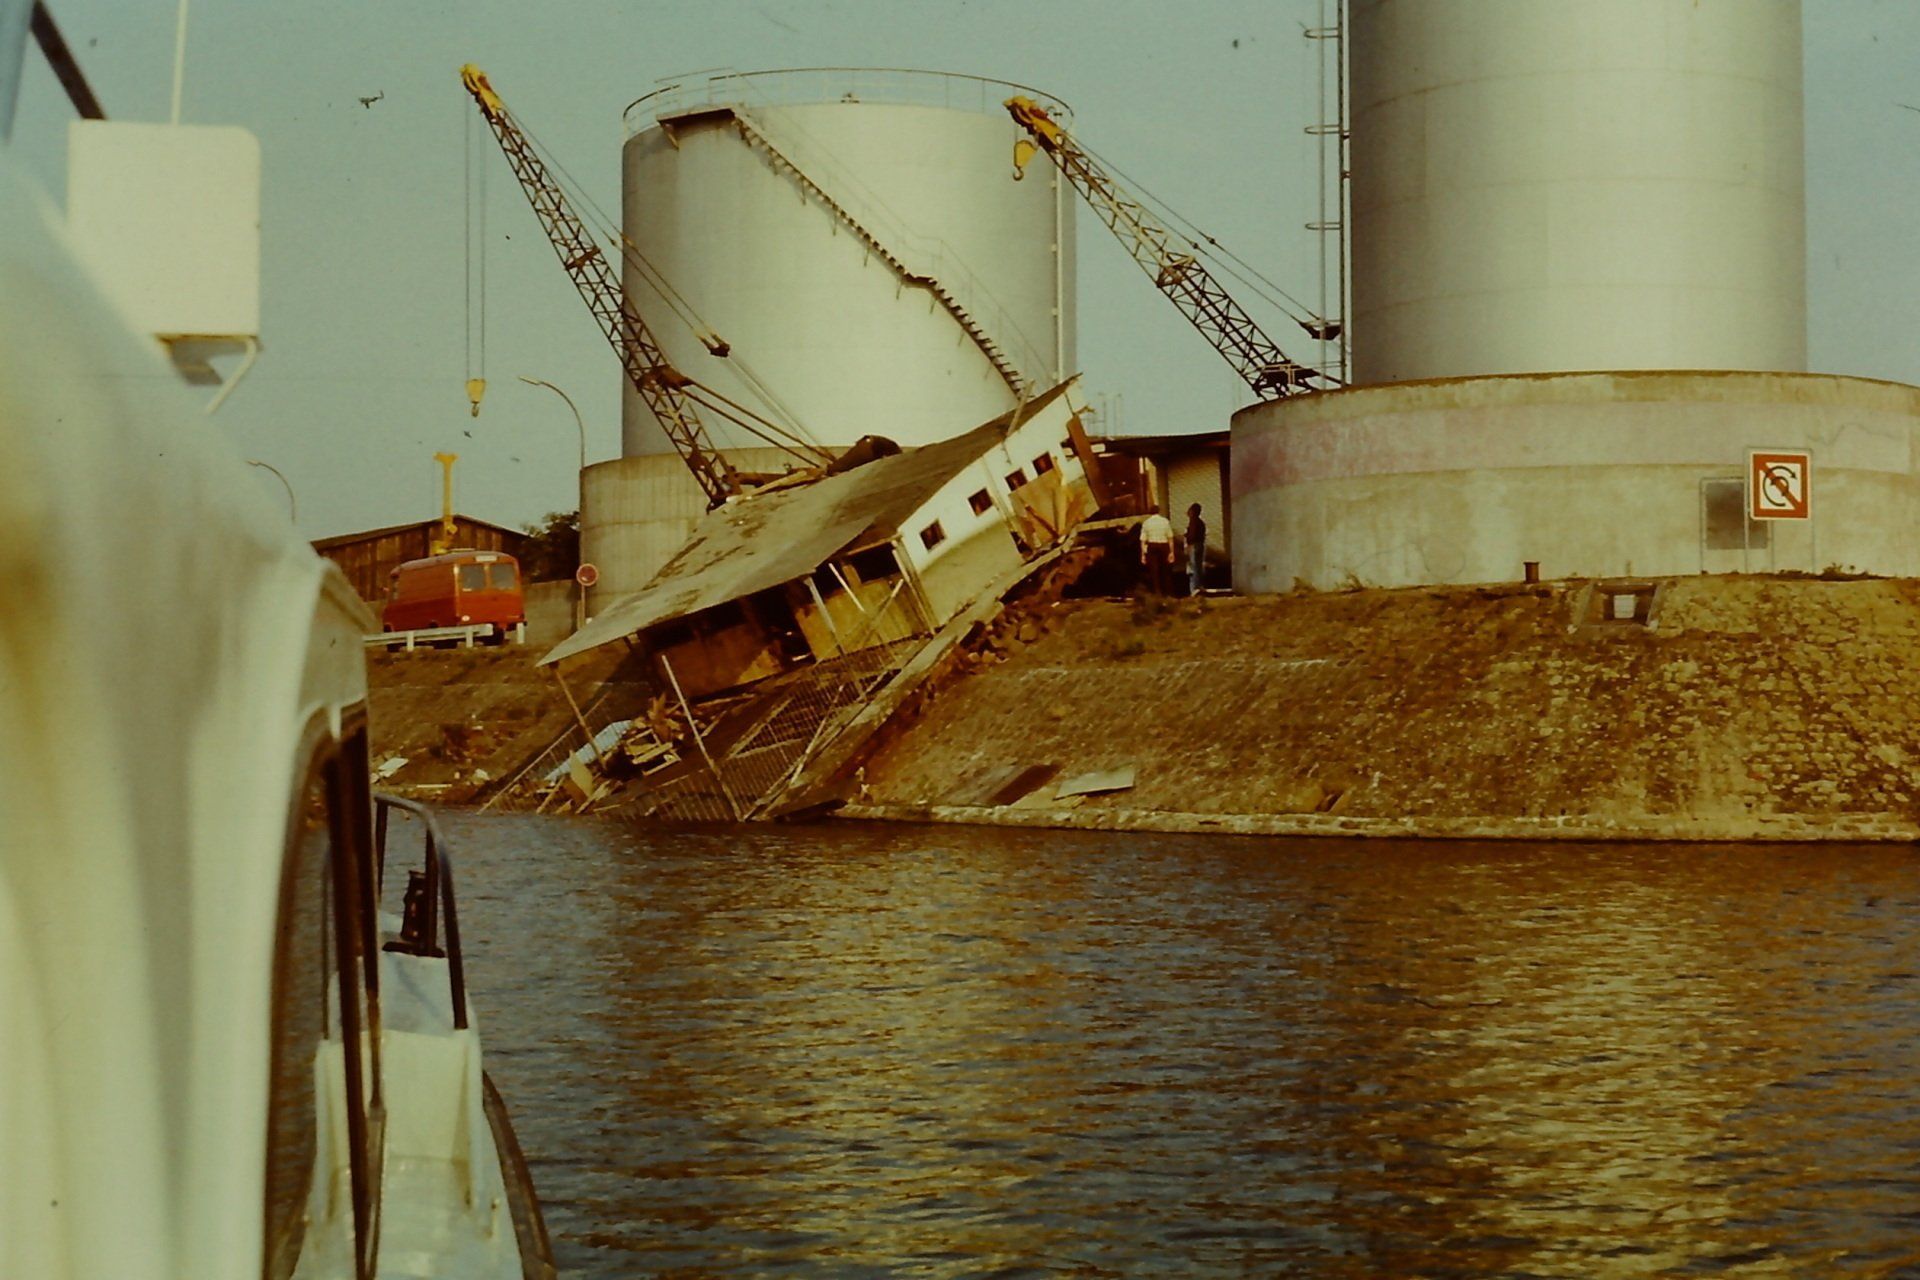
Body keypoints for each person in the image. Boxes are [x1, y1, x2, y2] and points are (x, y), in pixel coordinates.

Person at [1138, 505, 1174, 596]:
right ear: (1159, 511)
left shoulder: (1146, 523)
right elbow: (1170, 537)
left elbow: (1143, 540)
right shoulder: (1165, 522)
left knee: (1154, 570)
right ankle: (1167, 592)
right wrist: (1171, 552)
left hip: (1152, 545)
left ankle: (1157, 592)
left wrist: (1143, 555)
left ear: (1150, 512)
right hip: (1163, 545)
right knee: (1165, 570)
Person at [1185, 503, 1207, 598]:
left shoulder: (1193, 522)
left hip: (1193, 545)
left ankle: (1193, 588)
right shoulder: (1201, 522)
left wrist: (1187, 538)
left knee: (1192, 567)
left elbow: (1192, 535)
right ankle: (1200, 585)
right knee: (1199, 566)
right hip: (1200, 544)